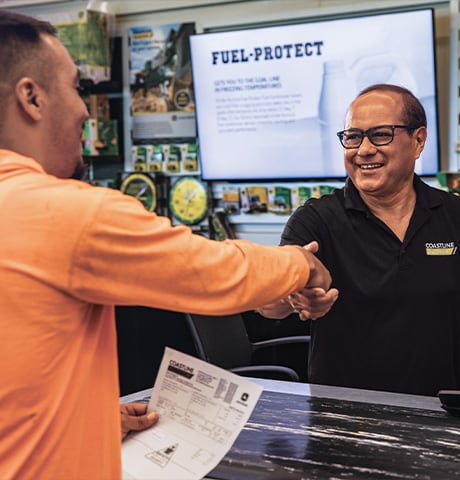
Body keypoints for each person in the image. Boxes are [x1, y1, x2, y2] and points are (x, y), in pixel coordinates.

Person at [0, 11, 332, 480]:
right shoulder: (68, 214)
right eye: (76, 87)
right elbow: (216, 272)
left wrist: (89, 418)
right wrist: (300, 263)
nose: (82, 110)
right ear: (32, 97)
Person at [259, 83, 460, 397]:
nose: (364, 149)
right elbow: (267, 303)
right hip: (347, 418)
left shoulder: (453, 215)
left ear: (418, 140)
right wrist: (290, 294)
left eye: (381, 134)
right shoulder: (317, 220)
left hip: (440, 414)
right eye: (353, 137)